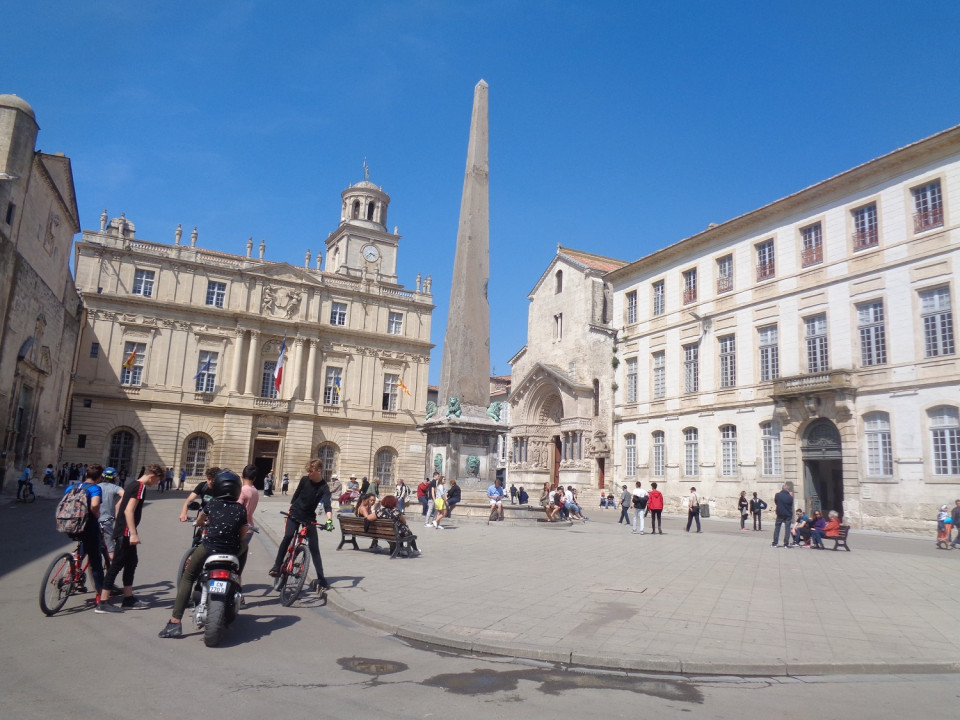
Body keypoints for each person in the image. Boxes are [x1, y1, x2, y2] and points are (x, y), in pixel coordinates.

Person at [159, 471, 248, 638]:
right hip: (232, 550)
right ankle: (237, 576)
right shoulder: (240, 509)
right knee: (245, 546)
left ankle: (174, 622)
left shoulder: (212, 504)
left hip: (209, 548)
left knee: (188, 576)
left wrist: (202, 522)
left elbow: (201, 520)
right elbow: (243, 533)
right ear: (237, 489)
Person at [101, 464, 165, 610]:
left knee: (131, 563)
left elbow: (118, 506)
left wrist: (119, 524)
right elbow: (129, 511)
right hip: (126, 533)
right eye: (157, 481)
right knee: (116, 565)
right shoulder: (140, 487)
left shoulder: (132, 484)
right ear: (152, 477)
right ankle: (103, 601)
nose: (156, 484)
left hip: (122, 530)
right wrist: (132, 532)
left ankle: (128, 598)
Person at [269, 459, 334, 591]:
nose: (308, 473)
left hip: (309, 517)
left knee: (314, 548)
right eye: (308, 471)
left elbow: (327, 505)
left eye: (311, 471)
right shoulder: (305, 480)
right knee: (288, 536)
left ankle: (321, 578)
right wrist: (289, 511)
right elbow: (296, 495)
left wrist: (329, 521)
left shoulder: (324, 487)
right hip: (295, 513)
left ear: (319, 470)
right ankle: (276, 566)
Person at [65, 464, 114, 612]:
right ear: (99, 477)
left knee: (81, 550)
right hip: (88, 526)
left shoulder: (73, 486)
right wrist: (97, 514)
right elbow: (94, 505)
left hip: (70, 524)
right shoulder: (95, 488)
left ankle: (74, 575)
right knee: (96, 561)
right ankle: (101, 597)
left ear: (86, 473)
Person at [98, 467, 124, 568]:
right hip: (106, 521)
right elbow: (125, 495)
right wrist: (118, 506)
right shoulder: (115, 488)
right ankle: (110, 576)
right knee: (111, 550)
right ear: (115, 477)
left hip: (92, 521)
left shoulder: (96, 487)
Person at [237, 464, 260, 572]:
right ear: (255, 478)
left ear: (242, 475)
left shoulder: (243, 490)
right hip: (250, 528)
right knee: (241, 556)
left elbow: (236, 509)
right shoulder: (255, 491)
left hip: (240, 528)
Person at [771, 483, 794, 548]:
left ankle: (775, 543)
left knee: (777, 528)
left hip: (780, 513)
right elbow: (791, 504)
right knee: (787, 529)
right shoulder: (790, 497)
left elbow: (776, 502)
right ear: (787, 489)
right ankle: (786, 544)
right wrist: (791, 496)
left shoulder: (777, 495)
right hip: (788, 514)